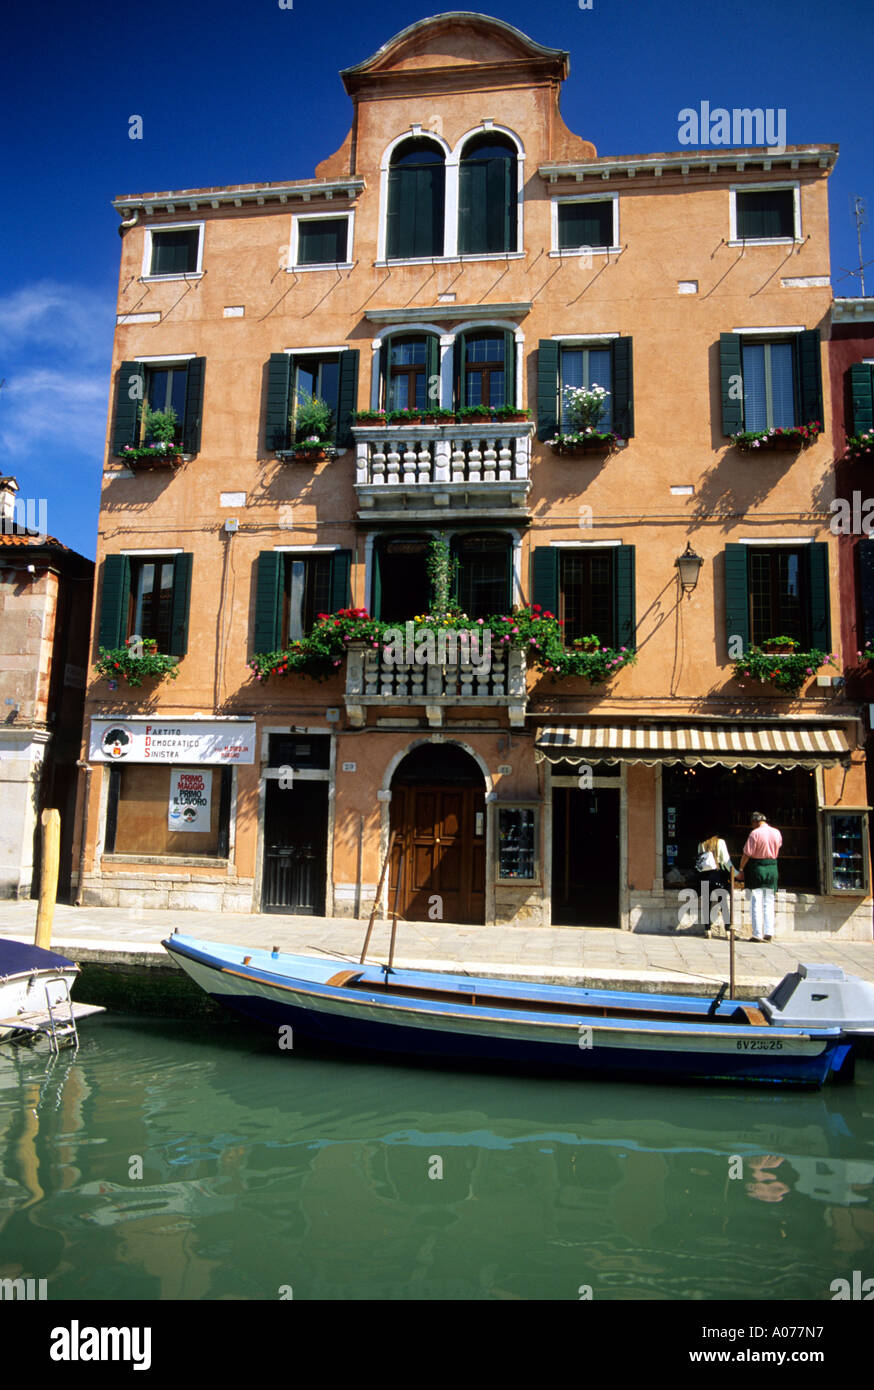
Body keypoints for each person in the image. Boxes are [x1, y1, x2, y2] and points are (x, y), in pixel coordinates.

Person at [739, 811, 783, 942]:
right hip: (772, 868)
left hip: (757, 868)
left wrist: (741, 869)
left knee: (756, 901)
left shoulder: (755, 833)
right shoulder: (776, 832)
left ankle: (757, 933)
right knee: (769, 901)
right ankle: (769, 931)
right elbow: (778, 847)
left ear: (755, 822)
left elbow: (747, 853)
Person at [695, 833, 735, 930]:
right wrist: (735, 873)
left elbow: (700, 861)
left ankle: (707, 929)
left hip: (705, 876)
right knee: (723, 903)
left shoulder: (701, 844)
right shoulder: (720, 842)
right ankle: (728, 929)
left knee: (706, 903)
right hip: (719, 876)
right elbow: (726, 861)